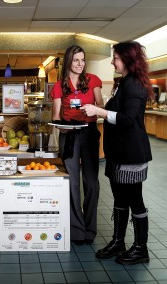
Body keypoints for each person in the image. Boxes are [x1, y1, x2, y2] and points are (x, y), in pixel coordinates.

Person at [81, 41, 152, 265]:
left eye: (116, 58)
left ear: (128, 59)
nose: (113, 61)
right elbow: (115, 110)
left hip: (131, 154)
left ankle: (141, 248)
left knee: (135, 200)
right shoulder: (125, 82)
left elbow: (127, 119)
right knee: (120, 199)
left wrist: (98, 111)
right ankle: (118, 241)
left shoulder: (135, 85)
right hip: (118, 153)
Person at [50, 45, 104, 245]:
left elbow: (100, 106)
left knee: (91, 183)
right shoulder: (59, 86)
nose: (80, 64)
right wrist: (60, 127)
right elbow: (56, 116)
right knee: (72, 183)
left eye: (82, 60)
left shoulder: (93, 80)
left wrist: (94, 109)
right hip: (69, 134)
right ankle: (77, 230)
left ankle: (90, 228)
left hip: (89, 133)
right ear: (68, 62)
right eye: (76, 60)